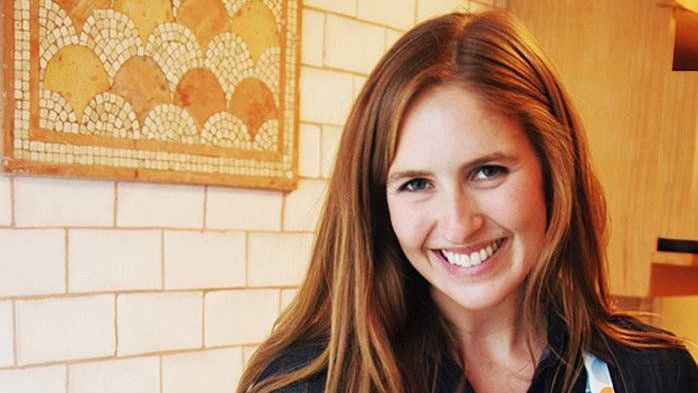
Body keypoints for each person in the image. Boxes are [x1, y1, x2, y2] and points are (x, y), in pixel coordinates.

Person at [237, 10, 698, 393]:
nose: (458, 225)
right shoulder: (304, 384)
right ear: (379, 206)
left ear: (553, 174)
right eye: (416, 184)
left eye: (487, 172)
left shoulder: (655, 374)